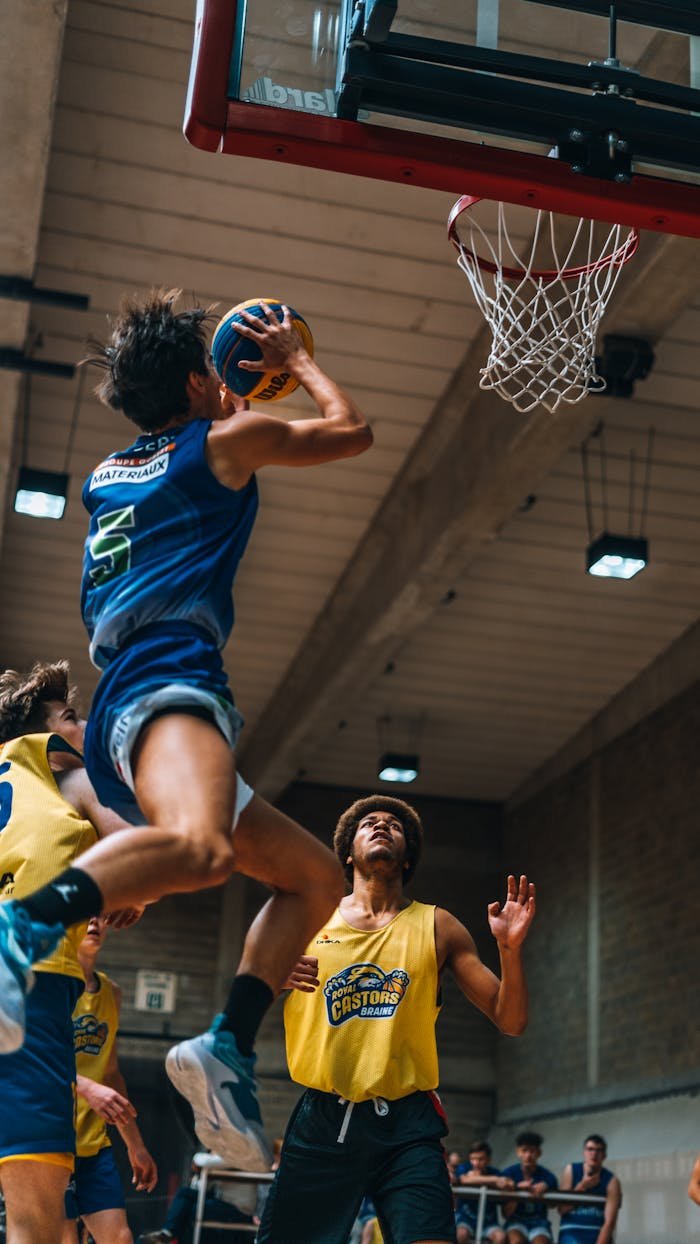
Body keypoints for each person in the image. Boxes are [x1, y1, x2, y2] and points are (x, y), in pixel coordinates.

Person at [0, 293, 372, 1170]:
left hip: (128, 704)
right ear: (204, 378)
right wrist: (296, 362)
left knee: (316, 878)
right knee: (202, 851)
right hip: (166, 683)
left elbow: (182, 473)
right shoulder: (223, 443)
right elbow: (351, 430)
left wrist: (220, 409)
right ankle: (18, 937)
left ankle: (225, 1047)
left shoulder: (107, 475)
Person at [257, 794, 536, 1244]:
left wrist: (510, 950)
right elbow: (250, 984)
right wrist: (275, 974)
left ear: (408, 857)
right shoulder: (308, 916)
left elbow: (511, 1020)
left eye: (394, 825)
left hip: (406, 1124)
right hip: (325, 1117)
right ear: (348, 852)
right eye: (370, 822)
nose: (382, 826)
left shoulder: (437, 925)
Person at [0, 662, 138, 1244]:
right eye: (72, 717)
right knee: (37, 1220)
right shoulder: (66, 777)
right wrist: (130, 889)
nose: (82, 728)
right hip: (30, 981)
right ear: (47, 731)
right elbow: (140, 849)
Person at [63, 916, 158, 1244]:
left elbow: (112, 1073)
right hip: (50, 1138)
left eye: (100, 914)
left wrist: (136, 1144)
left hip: (92, 1143)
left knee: (119, 1237)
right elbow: (32, 1059)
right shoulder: (49, 985)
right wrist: (87, 1088)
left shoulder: (111, 993)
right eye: (85, 912)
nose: (93, 921)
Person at [137, 1150, 259, 1244]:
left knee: (194, 1210)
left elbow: (201, 1160)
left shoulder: (235, 1155)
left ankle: (169, 1233)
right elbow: (200, 1188)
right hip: (223, 1204)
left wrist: (208, 1158)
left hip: (237, 1210)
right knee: (185, 1194)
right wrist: (198, 1175)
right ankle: (168, 1232)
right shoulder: (223, 1160)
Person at [557, 1135, 621, 1244]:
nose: (594, 1154)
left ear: (604, 1155)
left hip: (596, 1232)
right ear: (584, 1153)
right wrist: (582, 1186)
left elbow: (609, 1223)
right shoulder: (571, 1170)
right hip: (571, 1232)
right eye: (590, 1149)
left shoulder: (611, 1181)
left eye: (598, 1150)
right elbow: (562, 1209)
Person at [501, 1132, 557, 1244]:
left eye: (532, 1151)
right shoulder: (508, 1174)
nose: (528, 1155)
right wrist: (517, 1191)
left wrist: (545, 1187)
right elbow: (506, 1214)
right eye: (524, 1150)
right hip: (515, 1221)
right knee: (516, 1241)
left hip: (539, 1223)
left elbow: (553, 1205)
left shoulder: (548, 1177)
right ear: (518, 1152)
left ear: (539, 1153)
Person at [456, 1140, 512, 1244]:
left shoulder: (495, 1172)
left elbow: (507, 1183)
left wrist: (477, 1178)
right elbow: (463, 1180)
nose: (476, 1163)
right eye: (473, 1159)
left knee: (500, 1237)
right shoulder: (464, 1167)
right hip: (465, 1220)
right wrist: (494, 1180)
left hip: (489, 1222)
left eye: (481, 1159)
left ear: (489, 1160)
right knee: (460, 1234)